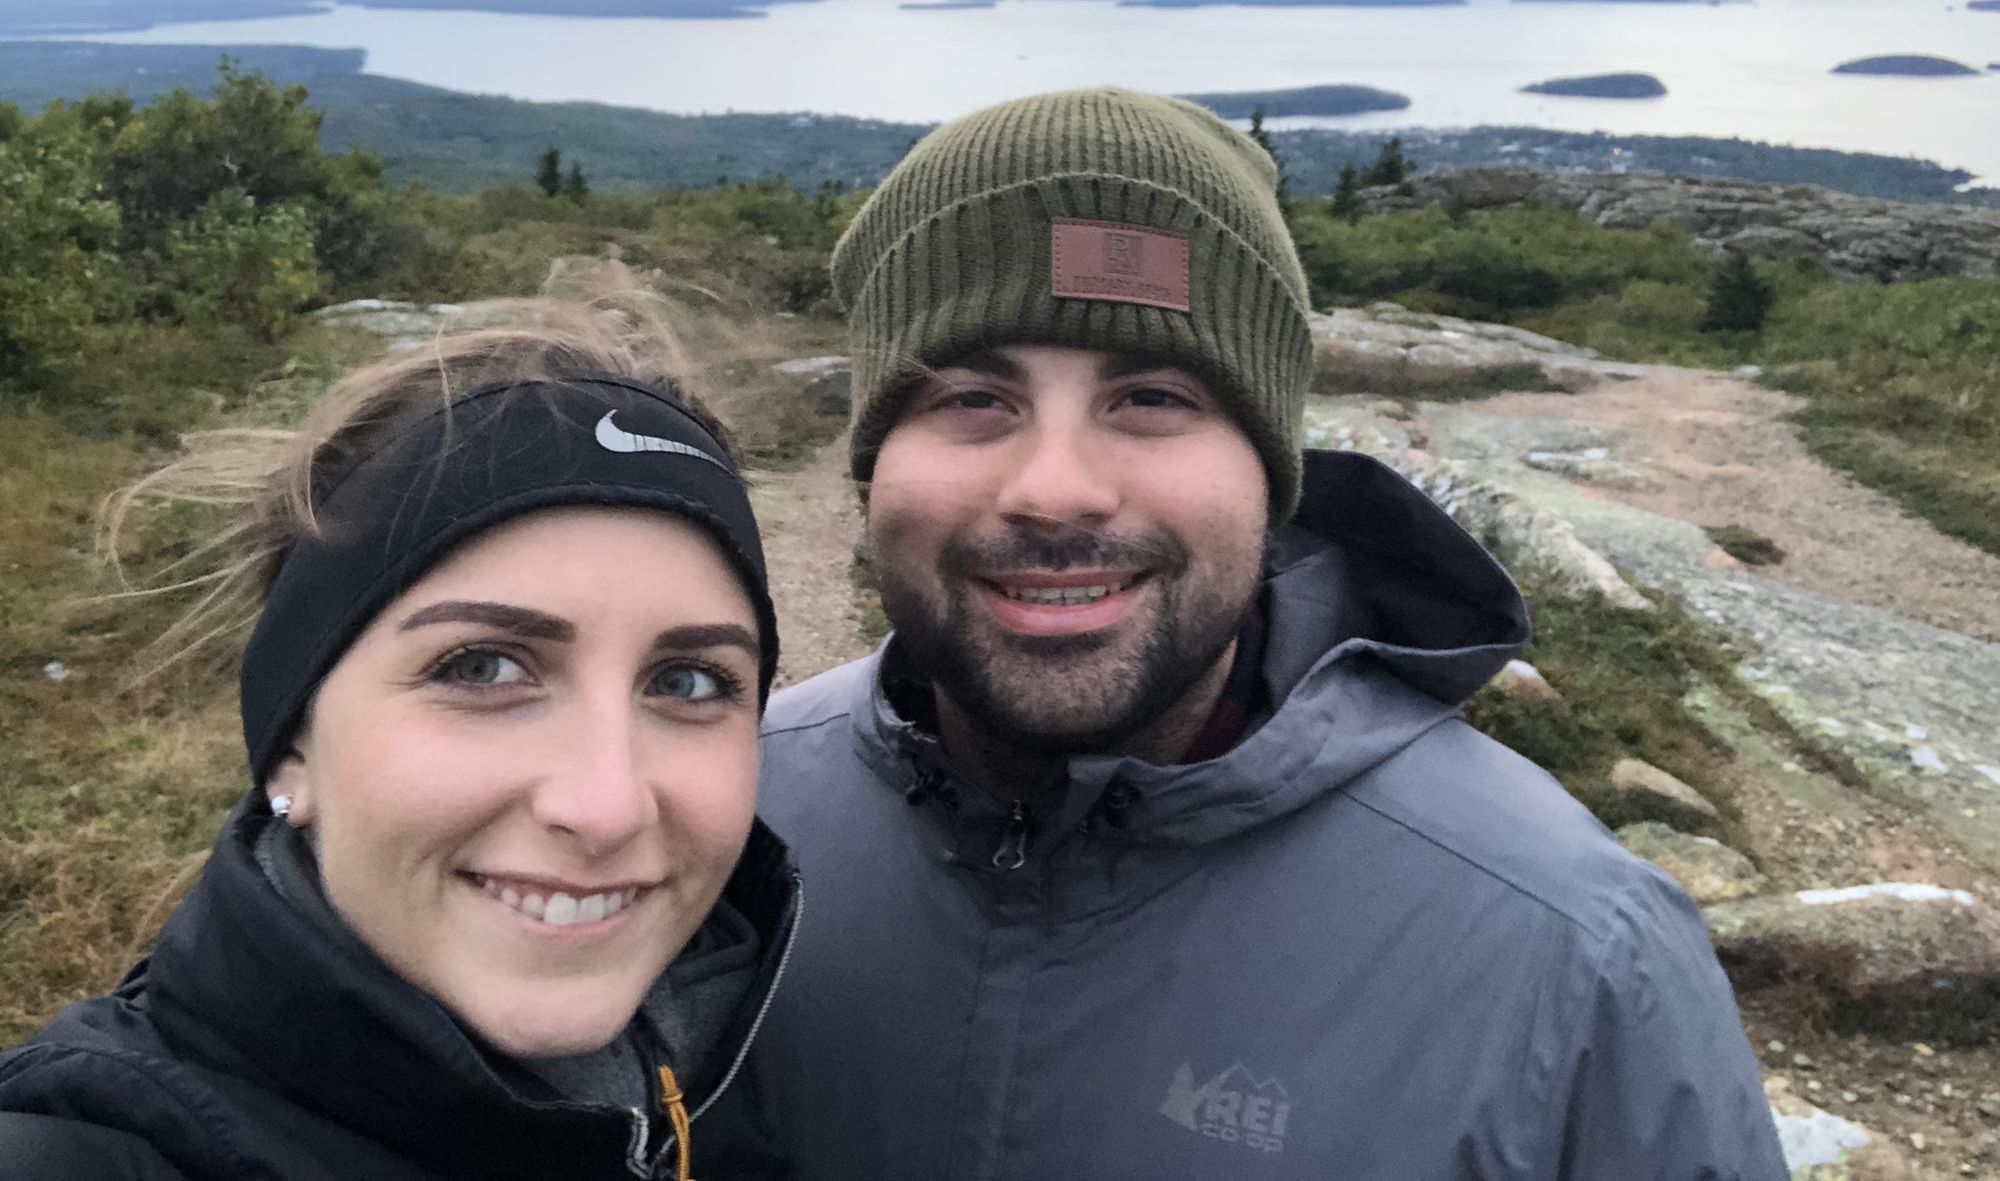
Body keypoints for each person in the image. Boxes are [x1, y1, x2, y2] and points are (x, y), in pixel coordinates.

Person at [705, 87, 1786, 1178]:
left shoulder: (1571, 947)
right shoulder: (718, 818)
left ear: (1271, 473)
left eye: (1153, 397)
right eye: (973, 398)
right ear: (873, 458)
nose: (1055, 489)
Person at [0, 291, 801, 1181]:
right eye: (482, 669)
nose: (606, 807)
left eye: (688, 682)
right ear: (289, 746)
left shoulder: (715, 1060)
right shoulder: (75, 1151)